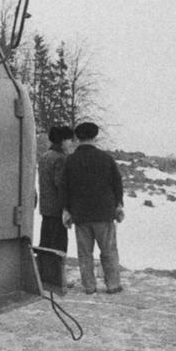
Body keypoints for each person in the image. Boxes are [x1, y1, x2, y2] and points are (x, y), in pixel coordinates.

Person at [60, 122, 124, 294]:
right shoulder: (106, 159)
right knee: (108, 250)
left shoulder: (70, 160)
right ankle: (112, 284)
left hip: (80, 214)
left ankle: (89, 286)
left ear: (78, 138)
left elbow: (64, 188)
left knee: (85, 253)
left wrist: (66, 210)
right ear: (95, 137)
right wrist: (118, 206)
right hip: (104, 213)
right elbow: (117, 184)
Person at [38, 126, 74, 254]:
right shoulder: (61, 159)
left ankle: (44, 272)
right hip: (57, 210)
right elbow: (61, 185)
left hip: (46, 208)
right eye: (70, 139)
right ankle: (55, 273)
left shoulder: (44, 156)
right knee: (58, 249)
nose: (71, 143)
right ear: (63, 141)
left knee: (46, 245)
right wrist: (68, 207)